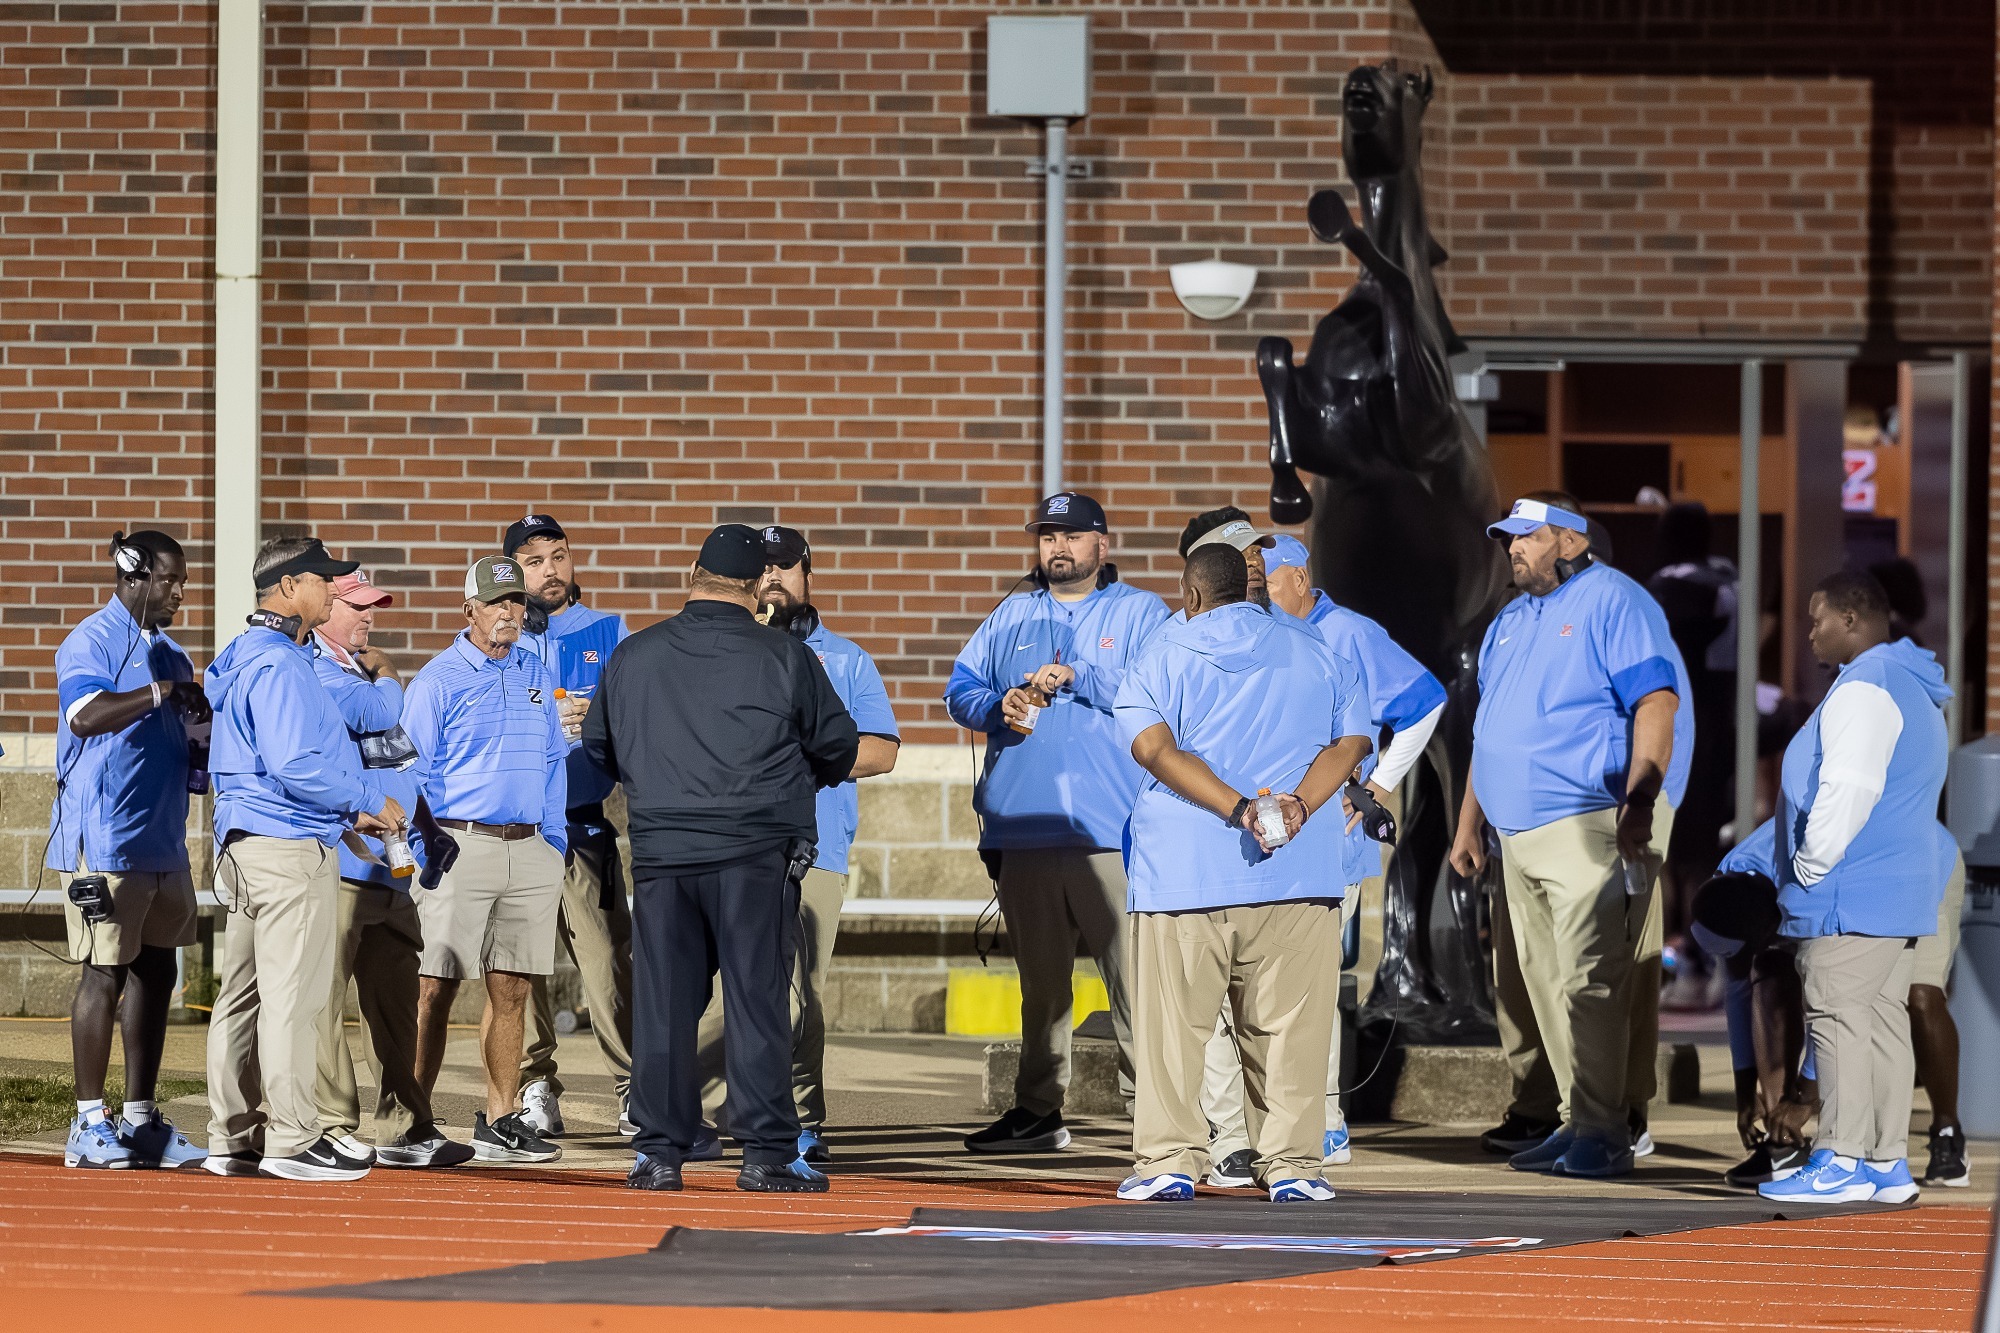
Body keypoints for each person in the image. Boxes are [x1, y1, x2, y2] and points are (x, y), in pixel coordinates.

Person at [584, 524, 858, 1194]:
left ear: (693, 573)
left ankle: (658, 1152)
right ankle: (765, 1152)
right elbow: (839, 750)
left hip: (663, 853)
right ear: (753, 587)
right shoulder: (786, 656)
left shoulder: (634, 655)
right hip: (755, 853)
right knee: (756, 1002)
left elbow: (599, 746)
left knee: (664, 1006)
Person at [1111, 544, 1374, 1202]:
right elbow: (1352, 742)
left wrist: (1238, 807)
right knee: (1292, 1031)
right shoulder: (1316, 646)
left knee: (1174, 1032)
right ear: (1253, 590)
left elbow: (1153, 747)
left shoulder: (1165, 648)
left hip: (1185, 873)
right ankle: (1292, 1167)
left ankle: (1170, 1160)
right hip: (1296, 874)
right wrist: (1298, 804)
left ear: (1192, 595)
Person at [1449, 492, 1692, 1178]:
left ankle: (1605, 1130)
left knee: (1590, 980)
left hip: (1585, 819)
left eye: (1526, 537)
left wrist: (1641, 799)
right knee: (1543, 983)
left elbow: (1656, 702)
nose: (1513, 549)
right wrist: (1469, 819)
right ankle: (1576, 1118)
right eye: (1509, 540)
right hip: (1515, 834)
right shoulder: (1510, 619)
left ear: (1570, 540)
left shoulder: (1617, 601)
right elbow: (1487, 729)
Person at [946, 492, 1171, 1154]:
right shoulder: (1012, 613)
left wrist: (1080, 674)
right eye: (1046, 536)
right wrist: (998, 702)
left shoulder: (1139, 612)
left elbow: (1158, 690)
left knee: (1134, 982)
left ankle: (1155, 1117)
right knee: (1040, 988)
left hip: (1109, 829)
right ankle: (1039, 1110)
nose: (1056, 547)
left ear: (1104, 546)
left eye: (1070, 535)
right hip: (1022, 825)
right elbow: (958, 687)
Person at [696, 526, 901, 1162]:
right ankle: (698, 1111)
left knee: (798, 995)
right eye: (766, 567)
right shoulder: (718, 649)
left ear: (808, 576)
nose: (776, 577)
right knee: (717, 990)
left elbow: (881, 751)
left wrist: (793, 760)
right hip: (725, 842)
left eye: (788, 566)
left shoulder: (845, 659)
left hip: (816, 850)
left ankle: (802, 1117)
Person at [203, 536, 403, 1181]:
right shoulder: (283, 664)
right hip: (287, 844)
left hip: (244, 842)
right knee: (293, 997)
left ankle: (231, 1135)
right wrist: (366, 801)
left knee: (243, 996)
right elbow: (295, 763)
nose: (331, 590)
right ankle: (292, 1137)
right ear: (289, 588)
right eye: (323, 579)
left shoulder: (242, 653)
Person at [1760, 571, 1950, 1206]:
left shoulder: (1865, 687)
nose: (1809, 633)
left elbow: (1849, 786)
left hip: (1851, 888)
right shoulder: (1908, 685)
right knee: (1880, 1022)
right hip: (1897, 886)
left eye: (1817, 620)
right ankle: (1884, 1163)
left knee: (1837, 1017)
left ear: (1851, 620)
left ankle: (1840, 1157)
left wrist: (1811, 866)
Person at [1257, 532, 1445, 1167]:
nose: (1257, 586)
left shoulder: (1351, 634)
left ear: (1301, 579)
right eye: (1252, 576)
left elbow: (1423, 705)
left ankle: (1326, 1117)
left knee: (1315, 982)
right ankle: (1278, 1117)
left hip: (1329, 843)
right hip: (1268, 837)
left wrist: (1375, 785)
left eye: (1267, 576)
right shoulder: (1260, 633)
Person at [402, 555, 570, 1164]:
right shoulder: (437, 681)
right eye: (498, 602)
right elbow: (411, 773)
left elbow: (554, 758)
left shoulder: (532, 670)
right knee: (434, 987)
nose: (510, 612)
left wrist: (553, 839)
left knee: (514, 989)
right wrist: (426, 849)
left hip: (529, 847)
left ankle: (500, 1121)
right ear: (467, 607)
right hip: (458, 844)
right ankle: (412, 1120)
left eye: (517, 602)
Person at [49, 531, 208, 1170]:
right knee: (103, 970)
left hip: (162, 836)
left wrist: (199, 722)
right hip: (105, 838)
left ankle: (141, 1119)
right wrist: (161, 696)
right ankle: (88, 1124)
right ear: (133, 575)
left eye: (183, 582)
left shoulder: (170, 653)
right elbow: (85, 714)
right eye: (168, 580)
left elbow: (190, 743)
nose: (179, 593)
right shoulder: (91, 639)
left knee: (158, 969)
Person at [308, 569, 473, 1169]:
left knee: (397, 1004)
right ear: (324, 607)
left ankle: (406, 1126)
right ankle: (331, 1124)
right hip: (343, 862)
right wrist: (388, 674)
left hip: (392, 867)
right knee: (324, 1004)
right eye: (357, 606)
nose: (369, 618)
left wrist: (427, 826)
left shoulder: (355, 667)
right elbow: (381, 710)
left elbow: (399, 757)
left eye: (373, 606)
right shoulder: (320, 671)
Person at [504, 512, 636, 1140]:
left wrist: (600, 721)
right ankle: (535, 1087)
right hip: (518, 828)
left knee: (609, 961)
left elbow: (637, 723)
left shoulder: (610, 631)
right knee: (519, 965)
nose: (550, 570)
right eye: (534, 562)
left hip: (586, 823)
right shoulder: (496, 636)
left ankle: (632, 1090)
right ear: (512, 572)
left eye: (558, 555)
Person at [1645, 502, 1738, 1009]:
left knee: (1679, 858)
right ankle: (1711, 962)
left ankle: (1695, 965)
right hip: (1722, 727)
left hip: (1683, 731)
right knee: (1701, 856)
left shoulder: (1673, 589)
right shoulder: (1727, 580)